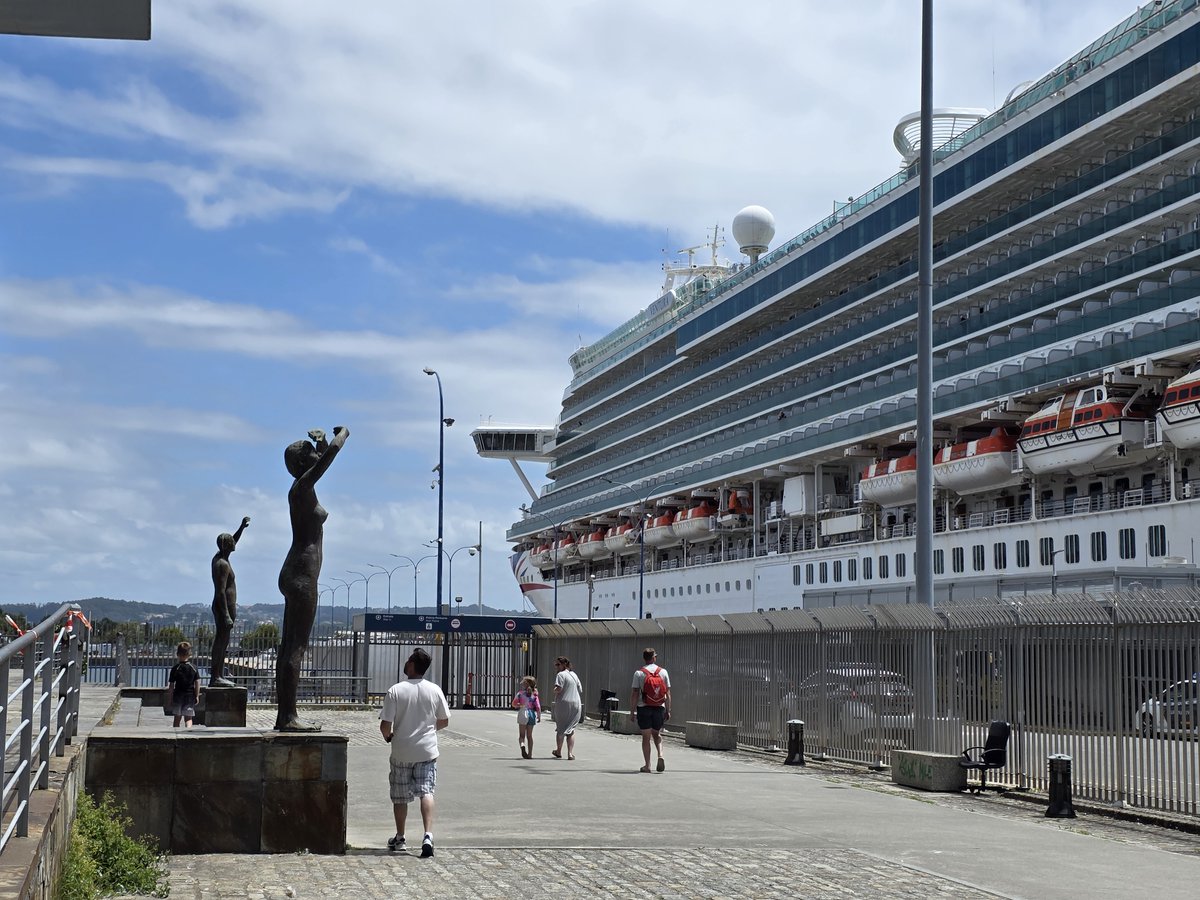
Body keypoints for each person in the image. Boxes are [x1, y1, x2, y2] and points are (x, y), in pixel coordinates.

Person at [276, 425, 349, 731]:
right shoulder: (302, 486)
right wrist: (342, 434)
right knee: (296, 647)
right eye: (309, 452)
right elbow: (329, 455)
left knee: (287, 646)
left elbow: (320, 454)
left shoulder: (303, 488)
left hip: (297, 570)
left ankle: (285, 715)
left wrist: (318, 441)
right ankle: (289, 717)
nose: (314, 452)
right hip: (302, 573)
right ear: (304, 463)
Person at [379, 648, 450, 858]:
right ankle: (428, 835)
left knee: (400, 796)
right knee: (426, 791)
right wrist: (428, 730)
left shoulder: (396, 690)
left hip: (402, 750)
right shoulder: (434, 690)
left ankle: (400, 837)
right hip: (426, 750)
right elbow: (444, 720)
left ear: (411, 664)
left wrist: (388, 737)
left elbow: (385, 725)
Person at [210, 515, 250, 687]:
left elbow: (233, 539)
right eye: (231, 542)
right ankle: (216, 676)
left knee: (224, 641)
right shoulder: (222, 564)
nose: (235, 543)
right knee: (221, 641)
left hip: (226, 607)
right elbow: (220, 591)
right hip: (223, 607)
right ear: (227, 546)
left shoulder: (222, 557)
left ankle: (217, 675)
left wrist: (241, 527)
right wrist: (226, 615)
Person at [630, 647, 671, 773]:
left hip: (644, 708)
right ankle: (660, 755)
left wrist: (632, 711)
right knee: (657, 735)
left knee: (646, 738)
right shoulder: (663, 672)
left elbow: (635, 693)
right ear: (654, 658)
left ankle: (647, 766)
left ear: (644, 658)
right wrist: (668, 710)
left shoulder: (639, 673)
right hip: (659, 708)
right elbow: (668, 693)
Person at [551, 656, 583, 760]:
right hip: (576, 703)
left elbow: (559, 688)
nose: (556, 667)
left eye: (558, 665)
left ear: (564, 665)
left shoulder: (561, 674)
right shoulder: (574, 675)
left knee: (561, 728)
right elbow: (580, 689)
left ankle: (559, 751)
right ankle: (570, 753)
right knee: (571, 729)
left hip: (564, 703)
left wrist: (554, 690)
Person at [167, 641, 201, 728]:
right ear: (189, 654)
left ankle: (176, 736)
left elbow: (171, 686)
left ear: (177, 654)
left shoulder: (175, 668)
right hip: (190, 696)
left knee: (177, 718)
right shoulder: (193, 668)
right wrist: (197, 695)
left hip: (178, 696)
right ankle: (188, 732)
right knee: (188, 718)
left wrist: (170, 699)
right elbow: (197, 683)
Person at [511, 675, 541, 759]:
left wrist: (519, 705)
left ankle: (522, 745)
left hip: (523, 712)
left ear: (526, 684)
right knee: (530, 736)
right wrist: (539, 716)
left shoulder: (520, 694)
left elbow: (513, 704)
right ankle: (530, 754)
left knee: (521, 735)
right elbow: (538, 707)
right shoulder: (535, 694)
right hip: (531, 714)